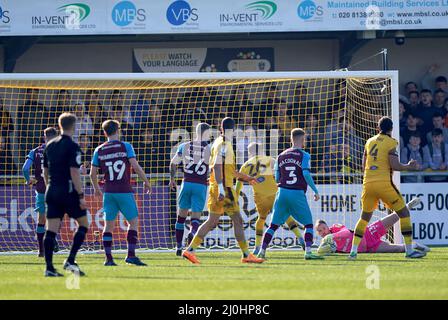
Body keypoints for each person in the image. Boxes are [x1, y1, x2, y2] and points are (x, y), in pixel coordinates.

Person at [182, 117, 264, 264]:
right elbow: (217, 167)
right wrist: (221, 188)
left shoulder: (217, 143)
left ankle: (190, 250)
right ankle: (246, 254)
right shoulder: (224, 144)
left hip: (217, 187)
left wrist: (247, 177)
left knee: (211, 221)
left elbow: (229, 170)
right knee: (238, 220)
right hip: (224, 189)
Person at [349, 116, 425, 260]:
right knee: (404, 213)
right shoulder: (391, 142)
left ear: (378, 128)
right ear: (391, 129)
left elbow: (363, 165)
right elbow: (395, 165)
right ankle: (409, 251)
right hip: (383, 184)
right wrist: (409, 166)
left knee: (364, 218)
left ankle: (353, 251)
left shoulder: (369, 141)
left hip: (368, 184)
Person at [90, 120, 151, 266]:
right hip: (124, 190)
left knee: (108, 225)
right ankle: (130, 255)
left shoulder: (99, 149)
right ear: (118, 130)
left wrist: (97, 189)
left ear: (104, 133)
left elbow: (92, 174)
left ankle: (109, 259)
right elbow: (135, 166)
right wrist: (146, 181)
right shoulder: (125, 146)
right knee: (133, 222)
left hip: (109, 192)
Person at [257, 128, 322, 260]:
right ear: (303, 140)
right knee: (308, 224)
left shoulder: (280, 156)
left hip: (281, 193)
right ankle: (308, 252)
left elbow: (276, 177)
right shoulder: (305, 155)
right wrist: (315, 190)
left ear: (290, 139)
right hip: (296, 193)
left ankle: (262, 251)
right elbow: (305, 173)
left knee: (273, 225)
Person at [235, 142, 305, 255]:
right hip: (274, 194)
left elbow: (239, 185)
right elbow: (281, 174)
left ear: (250, 152)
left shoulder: (245, 166)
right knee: (286, 215)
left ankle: (257, 247)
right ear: (261, 149)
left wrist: (236, 197)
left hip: (260, 198)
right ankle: (301, 239)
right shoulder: (270, 160)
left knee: (261, 219)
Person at [43, 113, 89, 277]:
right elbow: (74, 172)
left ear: (60, 125)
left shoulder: (49, 145)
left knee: (51, 231)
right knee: (84, 224)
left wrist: (50, 186)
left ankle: (49, 268)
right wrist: (81, 195)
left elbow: (45, 171)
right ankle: (70, 260)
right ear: (74, 126)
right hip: (67, 192)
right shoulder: (73, 146)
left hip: (52, 190)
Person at [316, 198, 430, 255]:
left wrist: (332, 236)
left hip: (367, 234)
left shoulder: (335, 228)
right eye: (320, 231)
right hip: (369, 248)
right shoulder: (327, 244)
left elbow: (347, 231)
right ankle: (415, 245)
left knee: (393, 218)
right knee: (396, 249)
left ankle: (408, 206)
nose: (323, 232)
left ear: (327, 226)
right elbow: (322, 252)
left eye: (323, 228)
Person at [169, 123, 211, 256]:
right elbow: (213, 167)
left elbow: (173, 163)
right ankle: (192, 234)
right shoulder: (210, 148)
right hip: (201, 184)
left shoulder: (184, 146)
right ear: (207, 133)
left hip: (186, 183)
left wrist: (172, 178)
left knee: (180, 217)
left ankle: (178, 246)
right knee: (196, 217)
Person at [22, 127, 59, 256]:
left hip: (41, 190)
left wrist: (28, 180)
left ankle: (41, 251)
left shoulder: (35, 151)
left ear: (44, 137)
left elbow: (25, 168)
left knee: (41, 219)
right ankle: (52, 239)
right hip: (55, 189)